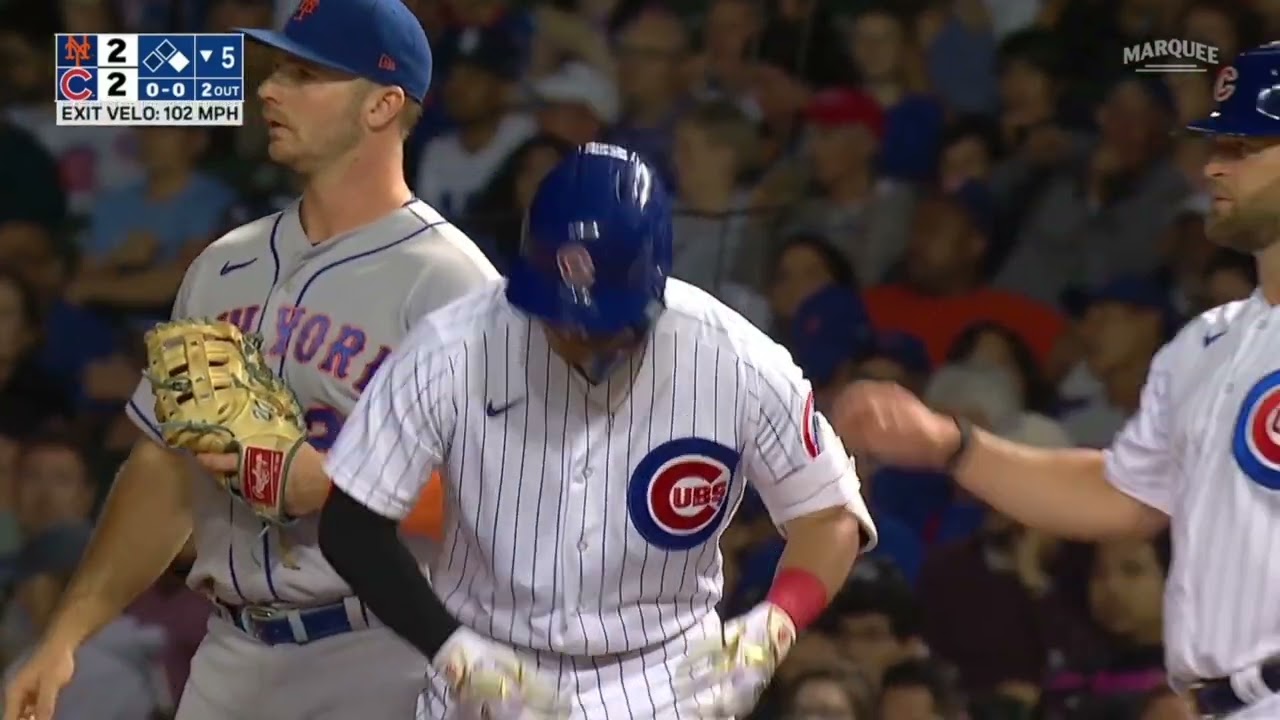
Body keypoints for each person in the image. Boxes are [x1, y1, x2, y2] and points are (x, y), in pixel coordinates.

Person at [3, 1, 499, 719]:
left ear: (382, 105)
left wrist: (337, 486)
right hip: (231, 651)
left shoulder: (453, 281)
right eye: (274, 71)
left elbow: (513, 494)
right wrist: (65, 637)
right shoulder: (221, 264)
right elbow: (165, 471)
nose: (268, 89)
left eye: (303, 75)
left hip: (380, 653)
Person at [316, 143, 877, 718]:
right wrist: (450, 648)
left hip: (666, 681)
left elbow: (829, 516)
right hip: (488, 668)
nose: (580, 336)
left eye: (602, 323)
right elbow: (350, 526)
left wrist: (776, 623)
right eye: (560, 319)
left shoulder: (734, 357)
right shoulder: (449, 348)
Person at [833, 43, 1280, 719]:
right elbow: (1122, 495)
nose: (1215, 164)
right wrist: (950, 444)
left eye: (1244, 147)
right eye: (1219, 144)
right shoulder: (1204, 345)